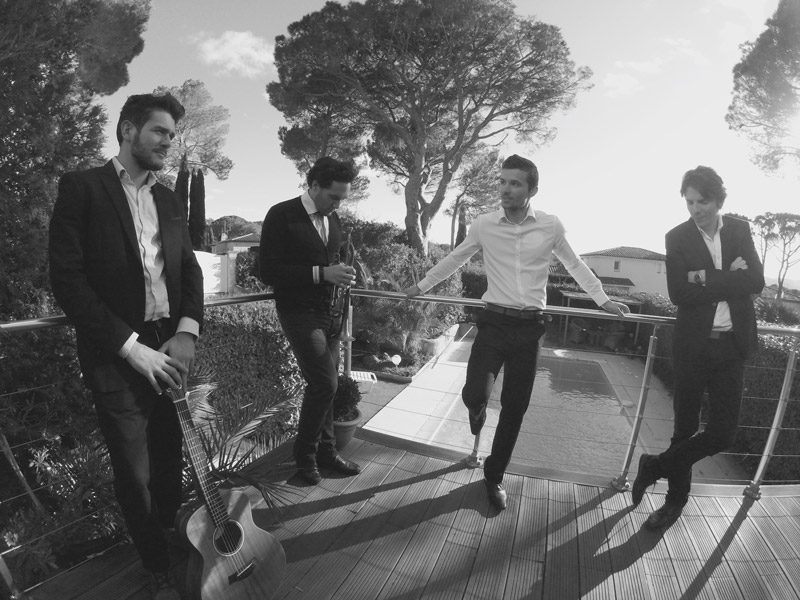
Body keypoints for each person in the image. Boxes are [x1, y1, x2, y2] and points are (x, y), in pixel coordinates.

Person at [404, 154, 629, 510]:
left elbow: (575, 264)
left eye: (515, 183)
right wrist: (422, 285)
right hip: (494, 323)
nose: (505, 189)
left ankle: (493, 476)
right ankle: (477, 412)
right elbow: (456, 258)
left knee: (515, 408)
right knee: (474, 393)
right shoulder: (484, 225)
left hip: (530, 328)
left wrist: (603, 300)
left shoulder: (551, 226)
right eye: (502, 182)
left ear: (532, 190)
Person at [49, 93, 204, 600]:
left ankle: (170, 537)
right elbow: (67, 279)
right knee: (134, 473)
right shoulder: (82, 188)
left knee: (169, 457)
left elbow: (189, 269)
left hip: (170, 346)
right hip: (117, 356)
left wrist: (187, 330)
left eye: (171, 135)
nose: (168, 142)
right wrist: (129, 347)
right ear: (128, 130)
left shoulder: (169, 199)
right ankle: (156, 565)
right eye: (159, 131)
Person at [631, 166, 764, 530]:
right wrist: (730, 278)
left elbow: (756, 280)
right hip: (693, 347)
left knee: (722, 433)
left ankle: (654, 465)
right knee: (684, 430)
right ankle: (674, 503)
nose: (695, 209)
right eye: (689, 202)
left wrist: (703, 277)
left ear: (718, 200)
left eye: (702, 201)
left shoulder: (739, 230)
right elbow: (679, 293)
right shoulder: (677, 237)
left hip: (731, 347)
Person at [259, 156, 362, 485]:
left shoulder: (334, 220)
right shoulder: (281, 214)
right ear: (314, 185)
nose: (338, 205)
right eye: (334, 197)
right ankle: (304, 457)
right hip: (299, 313)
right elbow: (267, 271)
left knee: (327, 388)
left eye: (342, 199)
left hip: (330, 314)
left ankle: (326, 452)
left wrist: (341, 274)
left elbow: (330, 262)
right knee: (325, 384)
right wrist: (322, 274)